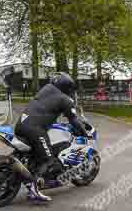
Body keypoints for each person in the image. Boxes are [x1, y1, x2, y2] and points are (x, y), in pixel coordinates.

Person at [15, 72, 89, 203]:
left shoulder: (46, 90)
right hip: (34, 129)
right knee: (48, 159)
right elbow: (74, 120)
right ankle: (34, 190)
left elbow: (45, 110)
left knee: (35, 152)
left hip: (21, 125)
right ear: (67, 87)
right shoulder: (64, 99)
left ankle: (26, 170)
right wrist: (84, 132)